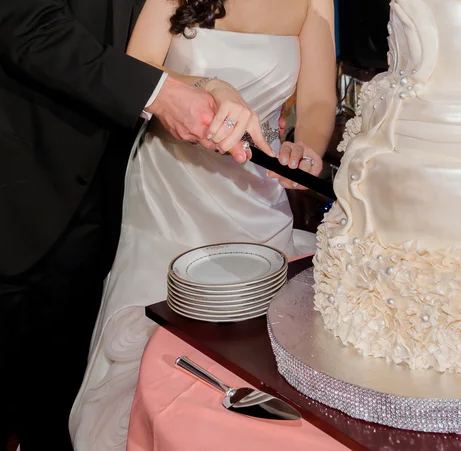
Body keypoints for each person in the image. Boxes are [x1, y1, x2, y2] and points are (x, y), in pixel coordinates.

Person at [0, 1, 274, 450]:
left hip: (94, 209)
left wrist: (208, 86)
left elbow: (141, 48)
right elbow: (29, 27)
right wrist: (162, 96)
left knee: (60, 410)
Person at [69, 0, 337, 449]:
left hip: (256, 196)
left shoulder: (316, 2)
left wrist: (305, 148)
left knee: (252, 356)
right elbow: (136, 68)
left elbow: (317, 98)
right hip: (169, 191)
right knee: (155, 346)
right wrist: (209, 87)